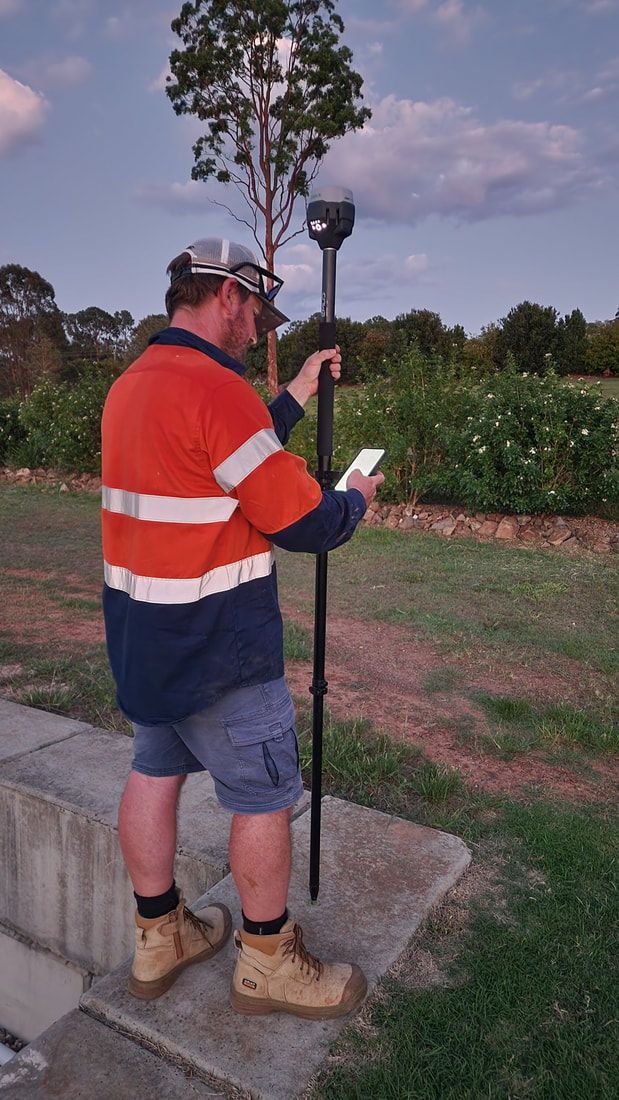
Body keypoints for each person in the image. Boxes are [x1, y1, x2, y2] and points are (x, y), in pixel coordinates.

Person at [100, 238, 383, 1019]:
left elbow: (225, 453)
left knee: (153, 773)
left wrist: (291, 393)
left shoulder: (134, 384)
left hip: (145, 640)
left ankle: (161, 937)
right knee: (262, 798)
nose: (260, 328)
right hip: (219, 647)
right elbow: (299, 518)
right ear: (228, 296)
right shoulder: (214, 387)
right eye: (258, 312)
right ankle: (266, 961)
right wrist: (354, 497)